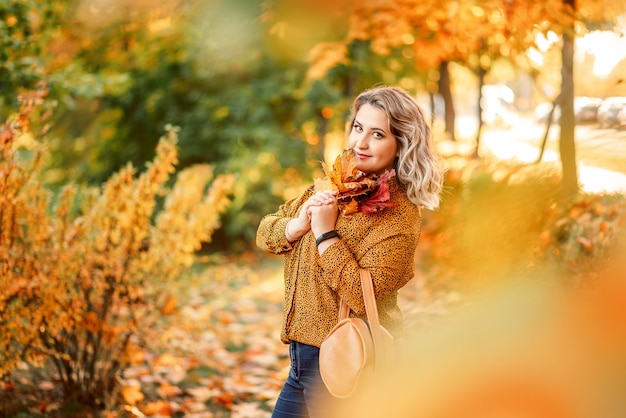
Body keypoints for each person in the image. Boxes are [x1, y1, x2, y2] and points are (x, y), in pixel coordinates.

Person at [256, 86, 444, 417]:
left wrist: (325, 234)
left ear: (401, 143)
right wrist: (297, 225)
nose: (361, 143)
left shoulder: (399, 215)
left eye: (377, 134)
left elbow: (363, 294)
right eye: (358, 127)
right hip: (302, 362)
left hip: (347, 360)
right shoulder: (332, 185)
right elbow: (265, 232)